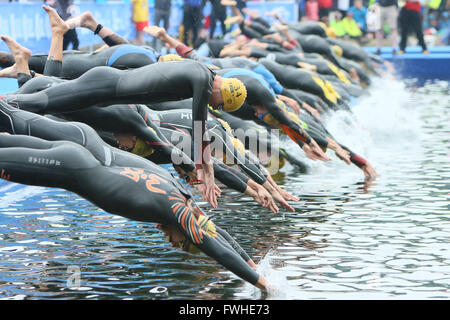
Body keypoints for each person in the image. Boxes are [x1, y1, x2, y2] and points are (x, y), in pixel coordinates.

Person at [0, 130, 267, 291]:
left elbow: (216, 231)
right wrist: (262, 284)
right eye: (183, 243)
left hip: (73, 157)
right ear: (189, 231)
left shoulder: (181, 198)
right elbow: (214, 246)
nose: (174, 245)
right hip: (64, 167)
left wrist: (250, 261)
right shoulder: (177, 211)